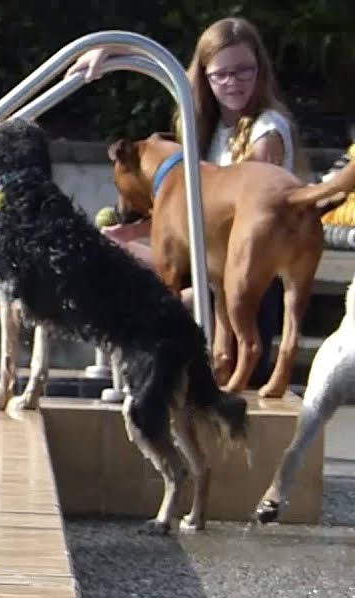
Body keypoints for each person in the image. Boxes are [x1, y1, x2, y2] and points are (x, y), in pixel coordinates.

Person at [67, 17, 305, 386]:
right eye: (222, 74)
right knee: (110, 248)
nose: (234, 82)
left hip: (248, 279)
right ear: (205, 77)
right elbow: (165, 65)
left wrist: (190, 297)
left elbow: (244, 223)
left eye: (245, 70)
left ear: (261, 71)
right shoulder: (203, 131)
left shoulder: (267, 130)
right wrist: (110, 49)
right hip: (211, 268)